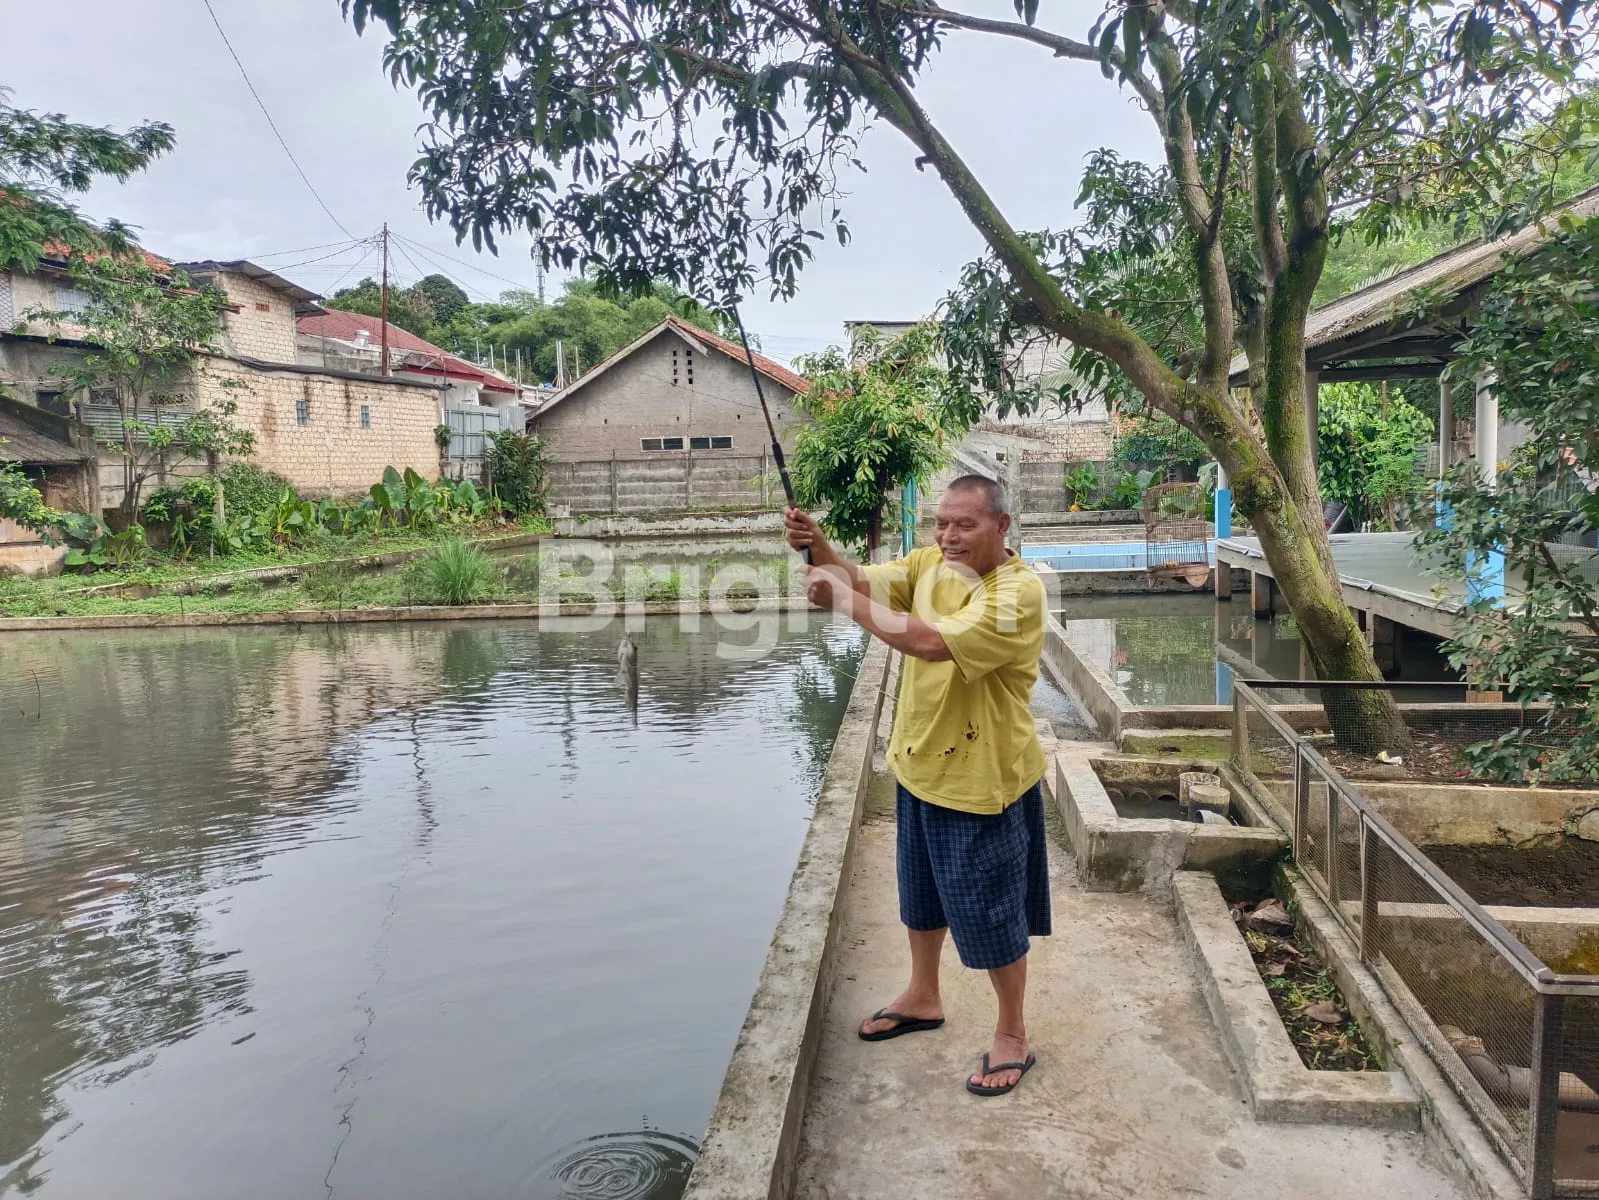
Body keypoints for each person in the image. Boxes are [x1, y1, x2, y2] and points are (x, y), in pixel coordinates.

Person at [784, 475, 1049, 1097]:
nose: (948, 536)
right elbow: (858, 580)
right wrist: (819, 544)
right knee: (921, 897)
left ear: (1001, 526)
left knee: (992, 915)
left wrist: (843, 602)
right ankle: (923, 995)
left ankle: (1012, 1031)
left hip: (983, 780)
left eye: (965, 525)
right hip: (919, 765)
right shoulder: (929, 564)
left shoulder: (1017, 592)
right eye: (942, 523)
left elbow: (930, 642)